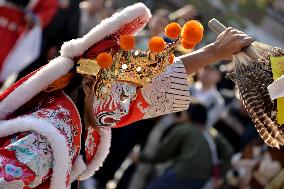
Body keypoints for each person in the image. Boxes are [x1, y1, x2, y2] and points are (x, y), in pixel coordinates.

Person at [0, 3, 253, 189]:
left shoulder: (83, 116)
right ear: (89, 84)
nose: (126, 100)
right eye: (120, 89)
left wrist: (214, 52)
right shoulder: (47, 136)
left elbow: (152, 83)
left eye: (131, 90)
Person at [132, 101, 233, 189]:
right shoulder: (211, 133)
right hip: (201, 179)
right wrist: (220, 176)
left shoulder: (183, 129)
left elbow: (163, 155)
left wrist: (141, 157)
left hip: (182, 171)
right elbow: (228, 151)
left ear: (188, 115)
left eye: (183, 112)